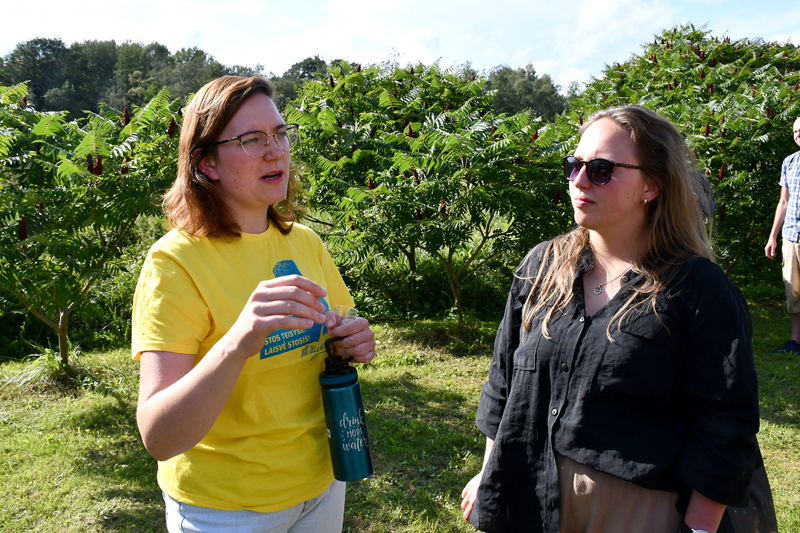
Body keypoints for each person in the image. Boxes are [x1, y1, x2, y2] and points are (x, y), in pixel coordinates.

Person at [460, 105, 760, 533]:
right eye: (574, 165)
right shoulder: (541, 267)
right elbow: (504, 387)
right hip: (527, 493)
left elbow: (726, 425)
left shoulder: (696, 288)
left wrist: (699, 529)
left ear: (652, 186)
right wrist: (491, 472)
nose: (580, 181)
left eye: (601, 170)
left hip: (635, 513)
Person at [132, 75, 376, 533]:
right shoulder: (175, 262)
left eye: (281, 134)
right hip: (225, 508)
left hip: (321, 483)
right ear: (206, 165)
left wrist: (351, 341)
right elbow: (159, 436)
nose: (275, 150)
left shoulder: (304, 242)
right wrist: (239, 340)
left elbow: (335, 334)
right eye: (251, 139)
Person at [764, 116, 800, 355]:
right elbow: (784, 202)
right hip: (791, 236)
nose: (799, 135)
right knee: (794, 292)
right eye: (797, 131)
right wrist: (772, 236)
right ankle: (795, 341)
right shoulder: (789, 162)